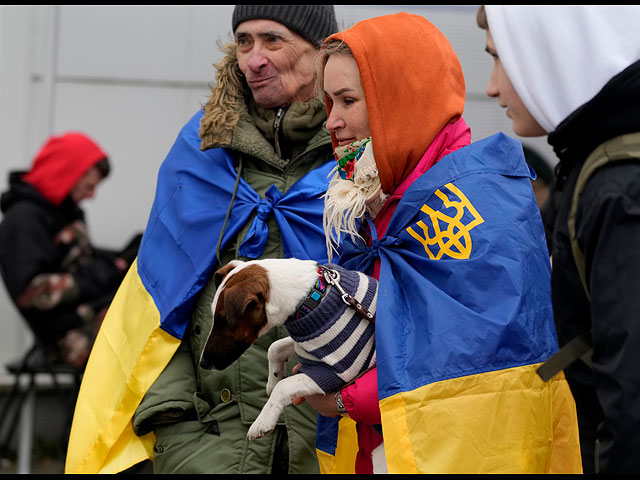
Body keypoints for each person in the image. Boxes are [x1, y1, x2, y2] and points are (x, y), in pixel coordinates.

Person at [292, 13, 582, 474]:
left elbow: (480, 361)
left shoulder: (483, 202)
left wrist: (348, 397)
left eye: (348, 100)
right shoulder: (366, 201)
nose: (333, 121)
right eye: (328, 102)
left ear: (401, 100)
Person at [65, 5, 339, 474]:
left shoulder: (360, 159)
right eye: (244, 41)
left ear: (320, 52)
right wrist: (178, 426)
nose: (253, 59)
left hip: (329, 441)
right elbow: (155, 305)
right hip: (211, 445)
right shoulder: (199, 155)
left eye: (273, 40)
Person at [477, 5, 640, 474]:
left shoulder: (619, 188)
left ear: (550, 51)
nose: (490, 87)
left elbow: (630, 403)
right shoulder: (589, 167)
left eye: (500, 58)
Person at [0, 132, 139, 368]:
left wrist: (123, 258)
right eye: (89, 186)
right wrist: (103, 272)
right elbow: (33, 293)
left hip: (92, 316)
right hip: (68, 338)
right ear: (67, 174)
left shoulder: (65, 212)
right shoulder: (22, 220)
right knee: (146, 343)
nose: (92, 195)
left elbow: (81, 262)